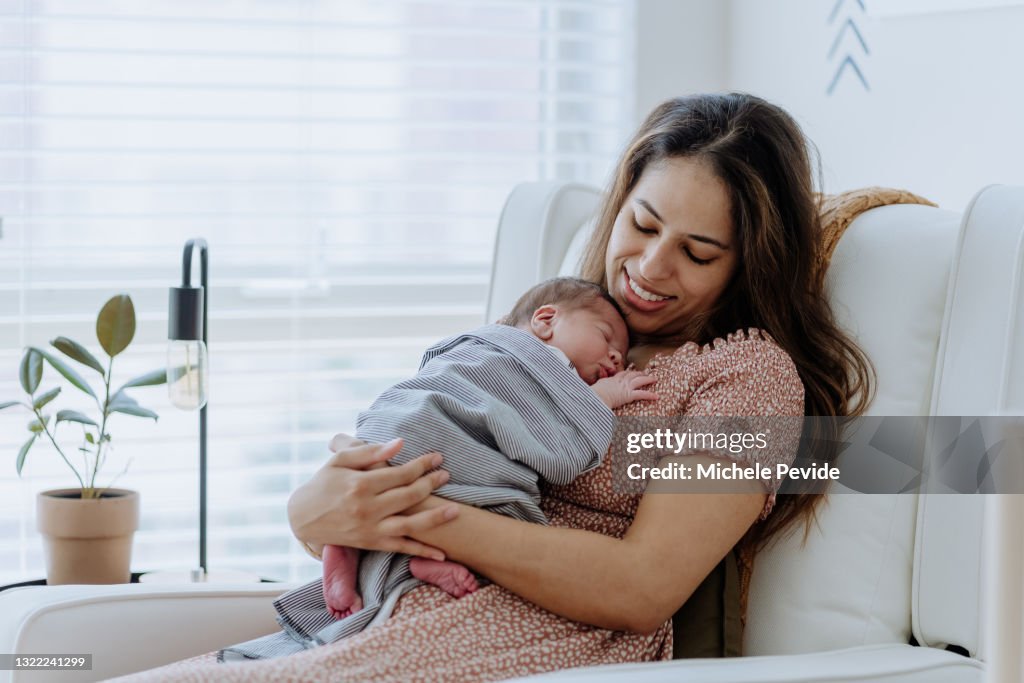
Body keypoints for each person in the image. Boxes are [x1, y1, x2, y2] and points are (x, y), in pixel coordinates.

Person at [113, 93, 873, 683]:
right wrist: (314, 508)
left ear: (749, 264)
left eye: (698, 253)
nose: (650, 267)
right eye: (641, 224)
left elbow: (642, 585)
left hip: (542, 636)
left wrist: (423, 516)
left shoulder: (746, 378)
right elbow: (420, 443)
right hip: (395, 603)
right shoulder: (563, 324)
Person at [307, 278, 655, 631]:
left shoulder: (478, 343)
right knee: (509, 515)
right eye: (606, 336)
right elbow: (558, 449)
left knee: (448, 510)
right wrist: (603, 398)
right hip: (438, 436)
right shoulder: (534, 360)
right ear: (545, 320)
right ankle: (410, 556)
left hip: (389, 431)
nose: (615, 355)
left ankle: (361, 551)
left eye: (622, 356)